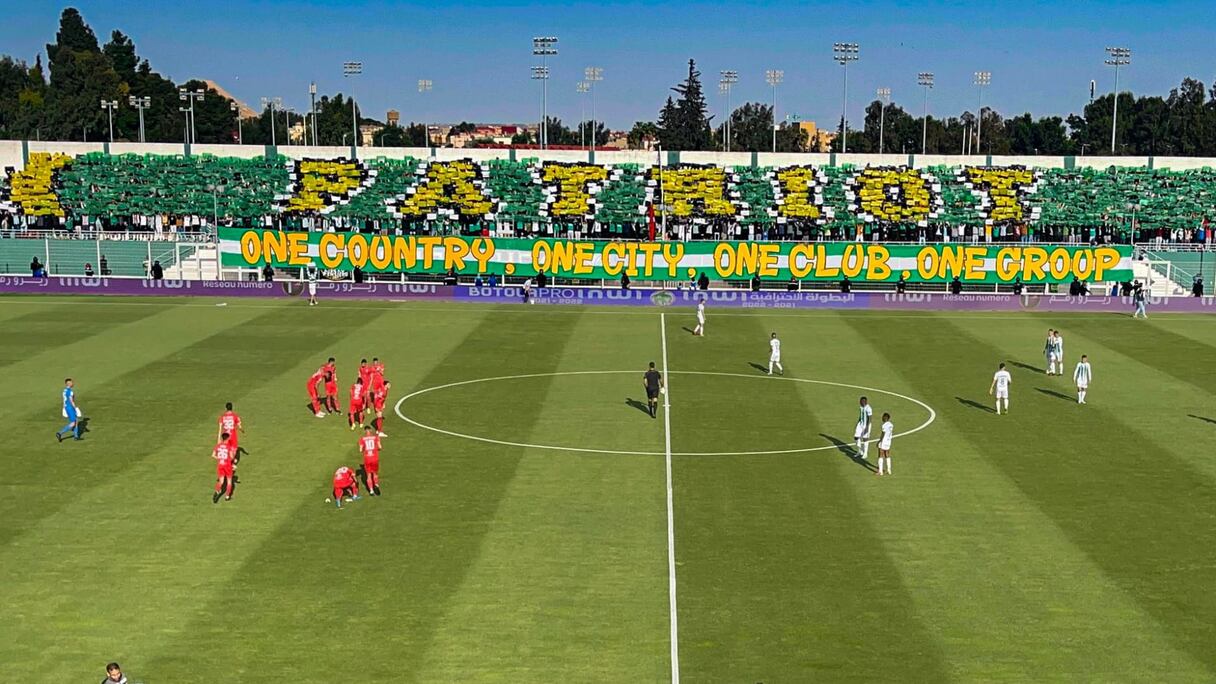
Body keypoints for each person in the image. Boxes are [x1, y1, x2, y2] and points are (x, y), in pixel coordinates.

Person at [359, 426, 382, 496]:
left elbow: (360, 450)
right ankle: (376, 484)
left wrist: (365, 450)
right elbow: (380, 447)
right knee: (375, 474)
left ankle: (371, 491)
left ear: (365, 431)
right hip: (374, 458)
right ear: (371, 430)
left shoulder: (362, 439)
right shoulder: (376, 437)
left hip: (367, 459)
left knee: (368, 475)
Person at [212, 435, 235, 503]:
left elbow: (213, 455)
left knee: (221, 481)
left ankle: (217, 491)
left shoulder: (218, 446)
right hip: (227, 466)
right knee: (229, 481)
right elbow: (231, 457)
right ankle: (227, 496)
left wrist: (220, 459)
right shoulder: (228, 447)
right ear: (227, 438)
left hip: (220, 465)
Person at [877, 412, 893, 476]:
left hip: (884, 441)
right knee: (887, 454)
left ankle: (880, 471)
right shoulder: (891, 424)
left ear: (885, 418)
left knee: (880, 454)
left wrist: (879, 441)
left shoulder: (884, 425)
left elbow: (883, 434)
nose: (882, 418)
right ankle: (889, 470)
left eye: (883, 417)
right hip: (889, 441)